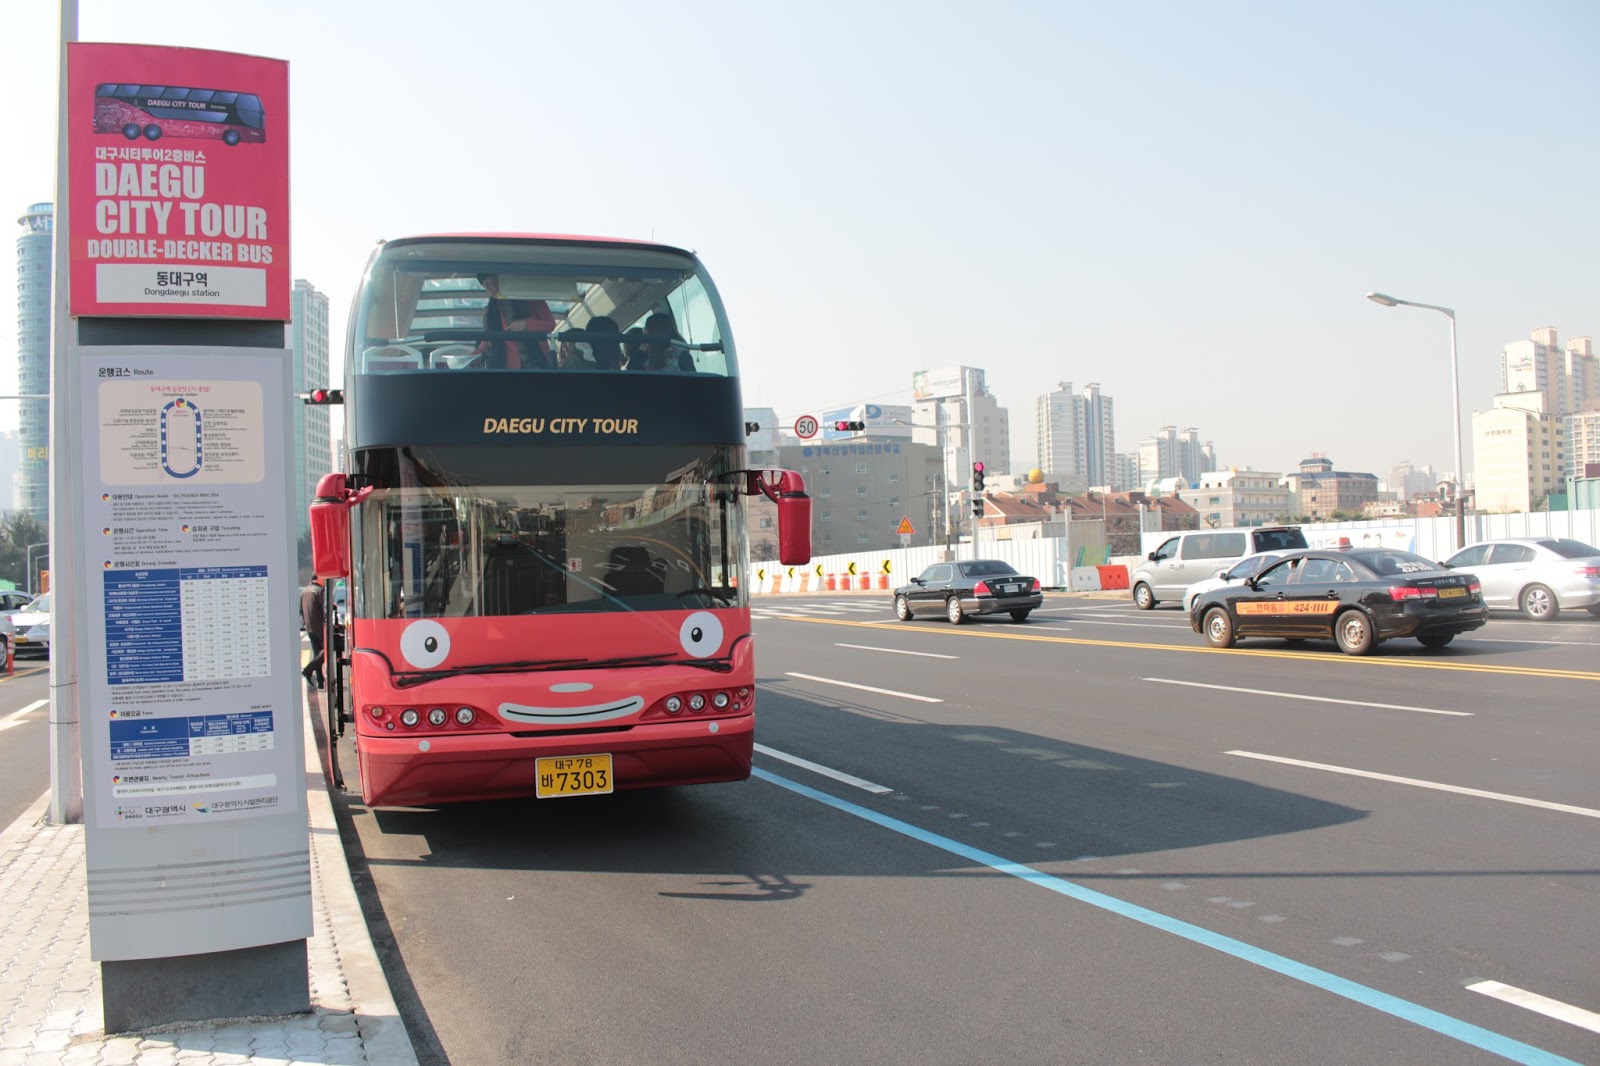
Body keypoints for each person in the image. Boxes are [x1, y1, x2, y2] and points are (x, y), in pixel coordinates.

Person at [473, 274, 553, 369]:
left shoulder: (530, 298)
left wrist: (525, 325)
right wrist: (471, 358)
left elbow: (550, 324)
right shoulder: (489, 313)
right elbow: (487, 341)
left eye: (496, 282)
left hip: (538, 363)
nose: (493, 288)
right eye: (487, 285)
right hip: (509, 368)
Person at [300, 579, 325, 688]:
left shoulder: (304, 592)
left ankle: (320, 681)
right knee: (325, 652)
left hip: (309, 628)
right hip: (319, 627)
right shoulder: (319, 590)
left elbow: (301, 610)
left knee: (317, 654)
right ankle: (308, 670)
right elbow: (325, 608)